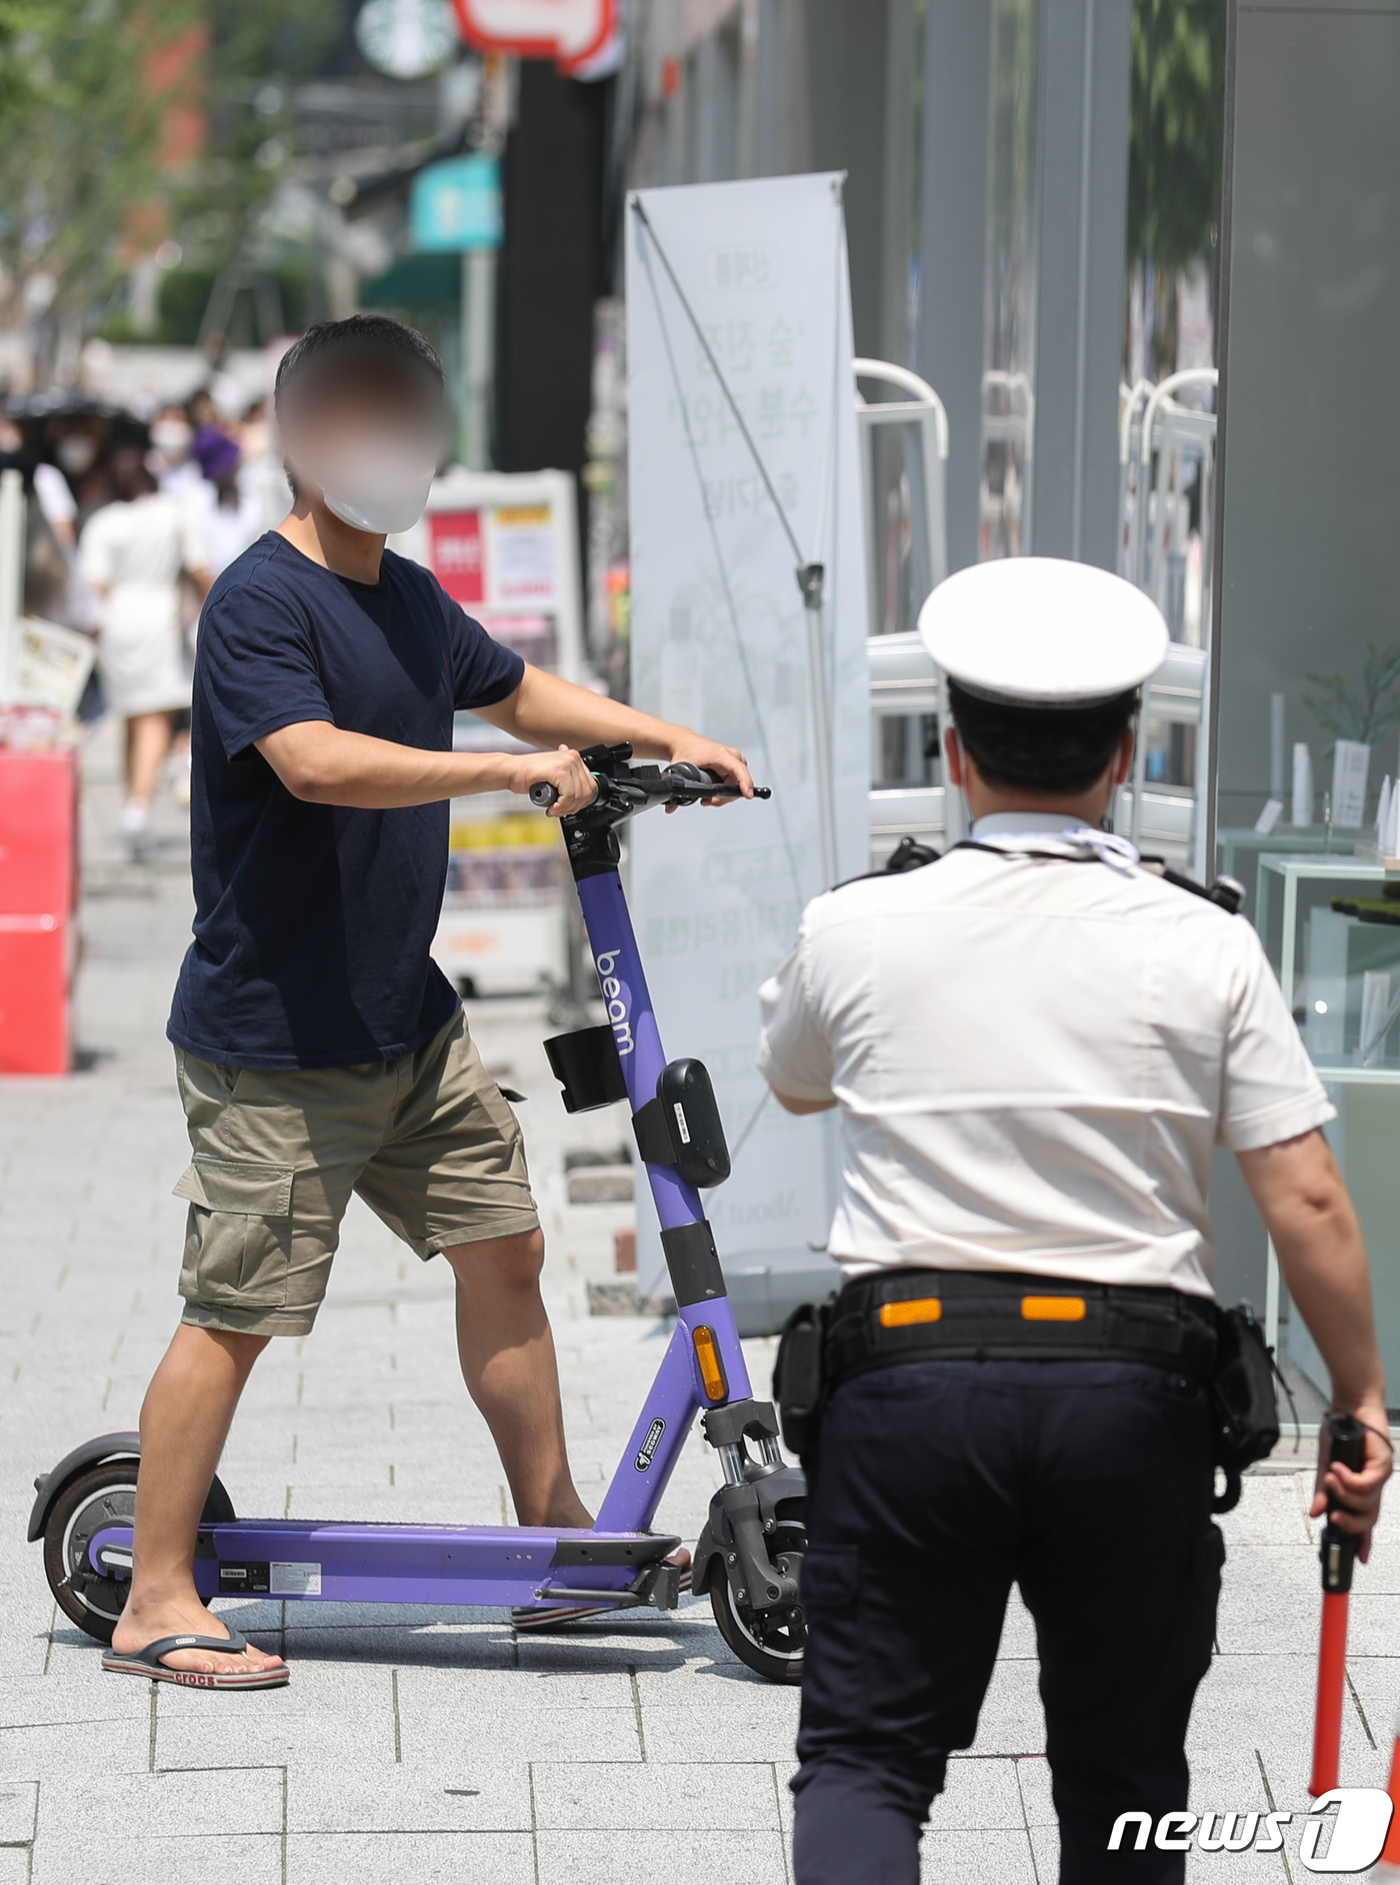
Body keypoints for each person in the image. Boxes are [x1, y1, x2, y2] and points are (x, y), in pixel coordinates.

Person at [104, 314, 754, 1689]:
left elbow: (517, 691)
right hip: (278, 1039)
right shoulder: (259, 602)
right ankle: (156, 1595)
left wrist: (662, 736)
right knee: (238, 1310)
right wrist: (502, 776)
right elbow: (315, 762)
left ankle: (556, 1532)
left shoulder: (404, 595)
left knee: (504, 1247)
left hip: (406, 1018)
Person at [756, 557, 1392, 1884]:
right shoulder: (1203, 941)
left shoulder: (856, 924)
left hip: (909, 1386)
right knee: (1124, 1779)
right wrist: (1361, 1401)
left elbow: (797, 1080)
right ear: (1126, 753)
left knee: (868, 1763)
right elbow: (1306, 1194)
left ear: (952, 752)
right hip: (1130, 1402)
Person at [77, 446, 211, 856]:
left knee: (133, 715)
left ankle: (133, 804)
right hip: (160, 618)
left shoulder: (103, 522)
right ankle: (137, 807)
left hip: (117, 620)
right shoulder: (171, 514)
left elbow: (93, 583)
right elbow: (200, 569)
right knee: (155, 715)